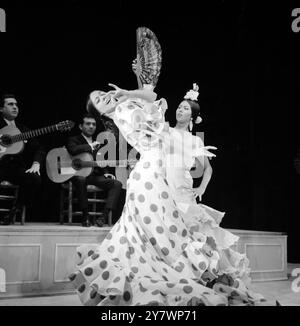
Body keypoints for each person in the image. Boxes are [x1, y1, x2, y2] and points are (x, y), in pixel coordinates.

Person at [68, 83, 271, 306]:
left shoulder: (127, 106)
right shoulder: (121, 113)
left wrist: (127, 93)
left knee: (160, 231)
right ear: (101, 112)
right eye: (98, 99)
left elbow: (151, 95)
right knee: (149, 232)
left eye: (102, 93)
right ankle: (150, 273)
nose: (103, 96)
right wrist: (131, 96)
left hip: (155, 173)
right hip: (148, 174)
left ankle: (162, 268)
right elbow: (151, 102)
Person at [165, 84, 254, 290]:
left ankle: (199, 279)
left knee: (193, 237)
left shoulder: (195, 140)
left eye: (186, 108)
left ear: (193, 117)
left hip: (184, 191)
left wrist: (202, 189)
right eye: (179, 106)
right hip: (164, 189)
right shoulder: (166, 131)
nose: (180, 110)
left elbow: (208, 169)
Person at [66, 113, 122, 227]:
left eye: (94, 124)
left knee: (116, 184)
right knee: (81, 179)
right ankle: (85, 216)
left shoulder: (98, 144)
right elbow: (72, 150)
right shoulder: (73, 139)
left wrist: (106, 173)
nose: (91, 126)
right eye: (88, 124)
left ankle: (103, 217)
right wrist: (90, 146)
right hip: (78, 175)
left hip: (93, 176)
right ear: (81, 127)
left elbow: (99, 161)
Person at [0, 94, 44, 225]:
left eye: (16, 104)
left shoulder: (23, 130)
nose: (15, 107)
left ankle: (14, 211)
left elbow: (40, 148)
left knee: (34, 178)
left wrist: (36, 163)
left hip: (14, 168)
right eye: (10, 104)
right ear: (1, 109)